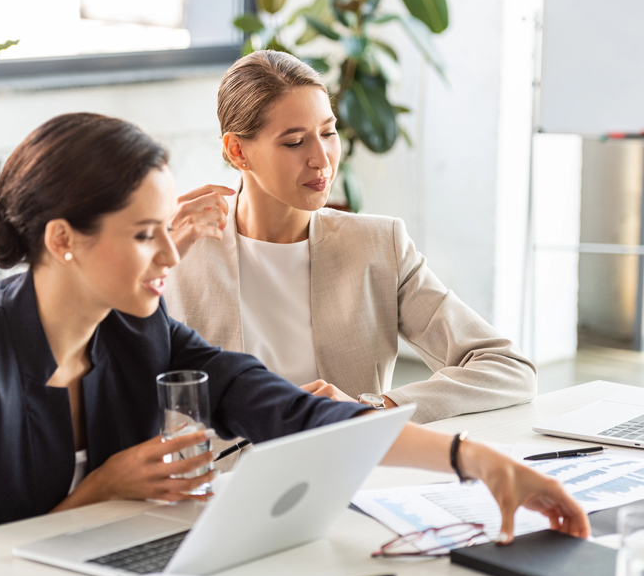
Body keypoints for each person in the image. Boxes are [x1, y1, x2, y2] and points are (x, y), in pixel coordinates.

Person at [0, 112, 587, 550]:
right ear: (64, 239)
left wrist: (475, 459)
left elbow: (296, 412)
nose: (173, 252)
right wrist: (97, 492)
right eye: (146, 234)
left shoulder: (139, 330)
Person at [165, 50, 535, 432]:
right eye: (294, 142)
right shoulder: (179, 252)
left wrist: (376, 408)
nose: (322, 160)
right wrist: (153, 261)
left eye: (328, 133)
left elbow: (507, 368)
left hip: (345, 476)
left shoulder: (377, 246)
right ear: (238, 151)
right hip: (219, 487)